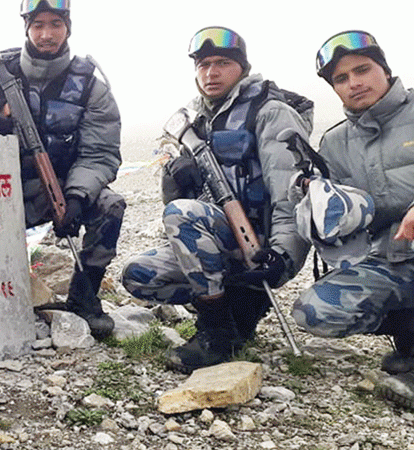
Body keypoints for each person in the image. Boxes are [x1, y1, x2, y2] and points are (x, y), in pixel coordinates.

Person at [291, 30, 414, 411]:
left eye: (362, 69)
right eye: (341, 78)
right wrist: (309, 198)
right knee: (315, 311)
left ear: (384, 69)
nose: (354, 83)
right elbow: (337, 220)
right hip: (391, 262)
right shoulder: (335, 143)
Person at [120, 26, 312, 373]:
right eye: (203, 64)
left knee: (184, 214)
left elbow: (291, 193)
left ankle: (217, 332)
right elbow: (174, 205)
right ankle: (232, 310)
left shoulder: (270, 112)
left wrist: (285, 254)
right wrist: (174, 173)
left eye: (222, 62)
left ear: (242, 67)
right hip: (214, 238)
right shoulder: (192, 119)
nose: (211, 72)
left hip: (261, 245)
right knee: (139, 276)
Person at [0, 0, 125, 339]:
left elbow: (101, 152)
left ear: (68, 28)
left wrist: (78, 197)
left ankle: (84, 297)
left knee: (110, 206)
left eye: (55, 24)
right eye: (38, 25)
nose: (47, 34)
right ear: (26, 28)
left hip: (62, 187)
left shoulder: (91, 86)